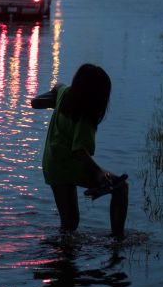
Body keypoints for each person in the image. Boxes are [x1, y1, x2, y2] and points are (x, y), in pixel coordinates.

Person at [33, 63, 127, 239]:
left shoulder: (65, 95)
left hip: (53, 165)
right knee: (120, 187)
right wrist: (99, 173)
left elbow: (58, 86)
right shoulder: (85, 118)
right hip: (69, 166)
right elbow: (79, 152)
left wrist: (42, 99)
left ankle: (61, 254)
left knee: (69, 224)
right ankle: (118, 238)